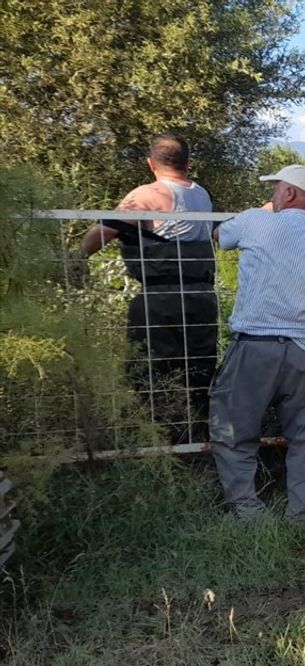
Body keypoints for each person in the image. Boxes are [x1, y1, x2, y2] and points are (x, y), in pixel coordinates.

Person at [209, 164, 305, 519]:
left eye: (275, 189)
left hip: (255, 348)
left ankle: (248, 512)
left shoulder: (256, 222)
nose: (272, 195)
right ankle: (302, 515)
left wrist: (264, 212)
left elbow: (218, 236)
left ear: (289, 193)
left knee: (234, 431)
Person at [82, 133, 218, 443]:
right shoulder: (203, 195)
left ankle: (159, 441)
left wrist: (78, 257)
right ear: (188, 163)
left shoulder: (146, 194)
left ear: (150, 163)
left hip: (161, 299)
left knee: (151, 371)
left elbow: (102, 232)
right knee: (198, 370)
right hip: (202, 297)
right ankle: (199, 436)